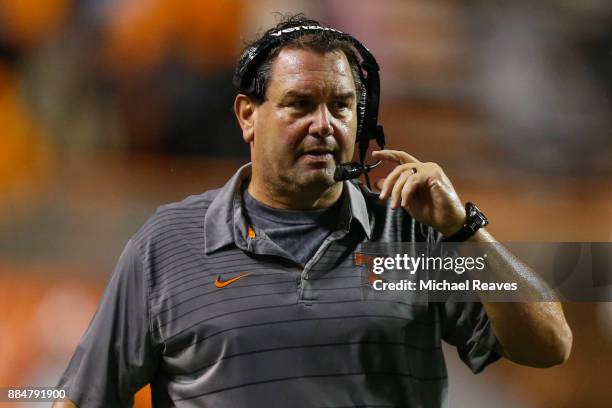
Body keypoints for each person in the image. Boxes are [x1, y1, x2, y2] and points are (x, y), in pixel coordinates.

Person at [54, 14, 572, 408]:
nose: (325, 125)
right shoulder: (166, 243)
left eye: (342, 106)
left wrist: (465, 231)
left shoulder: (411, 234)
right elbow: (80, 396)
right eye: (300, 104)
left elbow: (551, 346)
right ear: (247, 115)